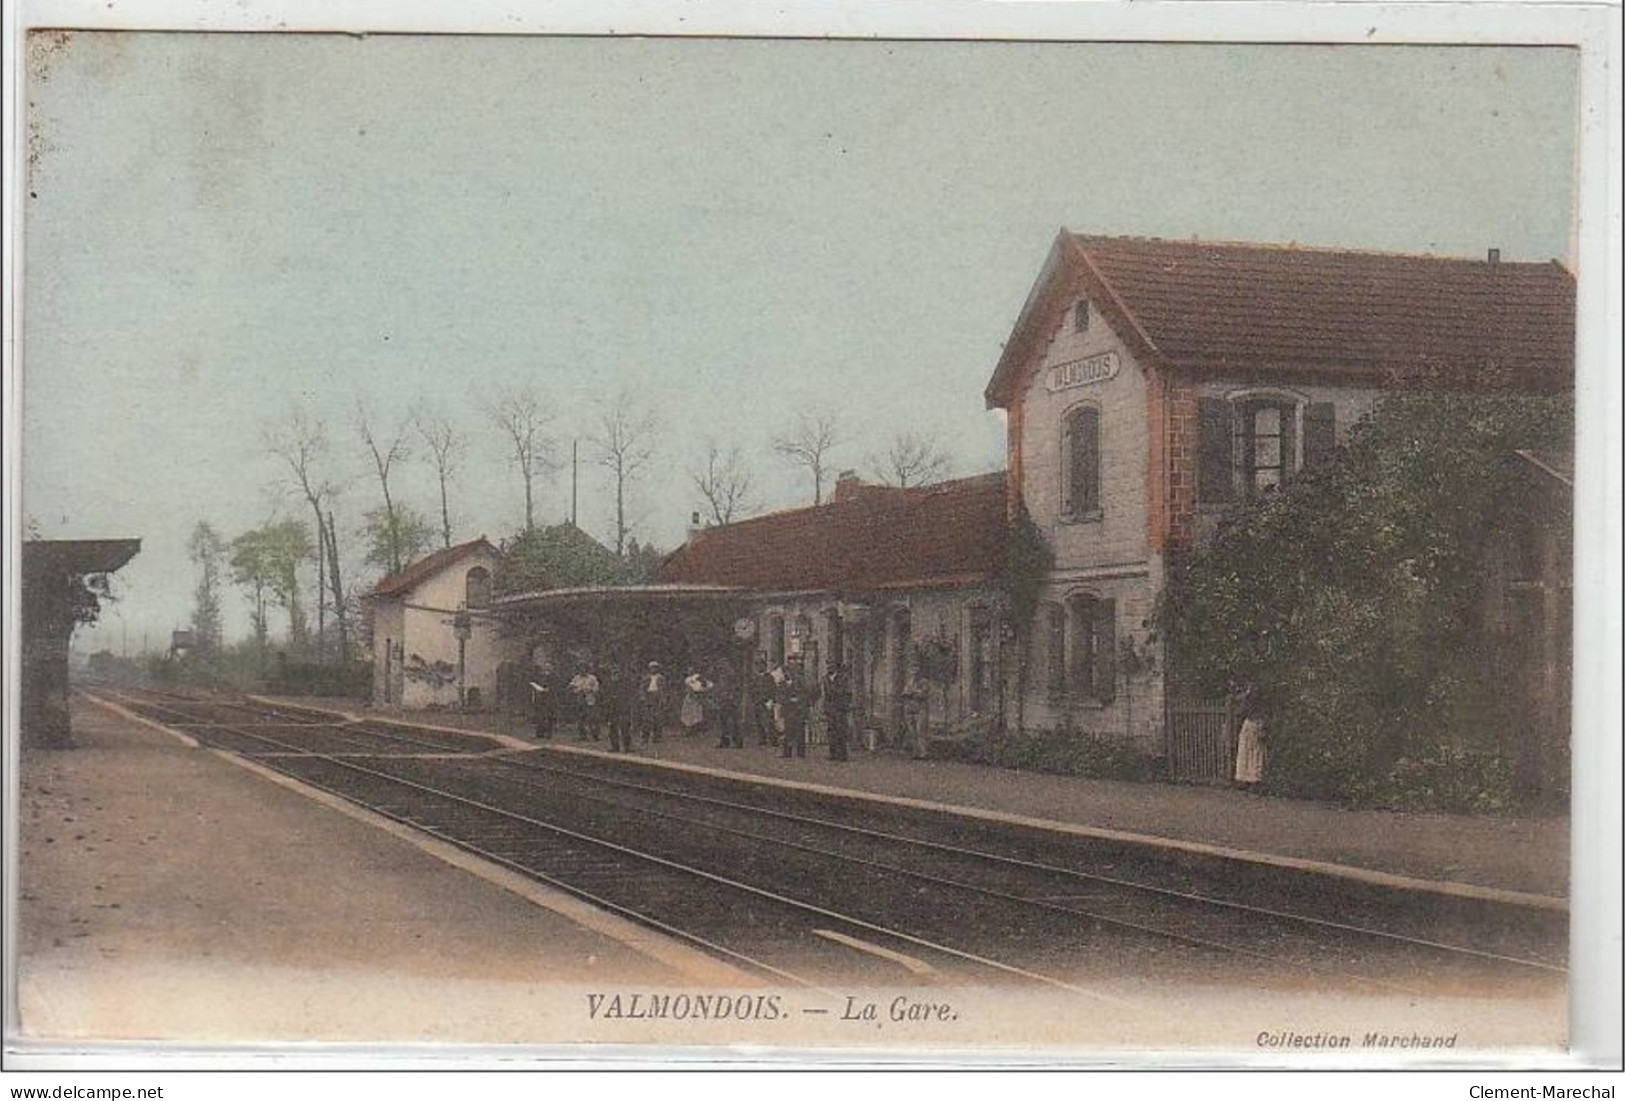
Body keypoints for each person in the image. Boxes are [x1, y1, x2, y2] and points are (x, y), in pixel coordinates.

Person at [778, 653, 811, 759]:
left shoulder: (802, 678)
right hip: (788, 707)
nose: (792, 666)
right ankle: (787, 752)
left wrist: (800, 700)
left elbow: (806, 692)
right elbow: (780, 692)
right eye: (790, 663)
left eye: (794, 663)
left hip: (799, 708)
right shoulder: (783, 680)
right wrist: (785, 700)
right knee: (788, 730)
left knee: (799, 729)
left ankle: (801, 752)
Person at [1233, 690, 1266, 792]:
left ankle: (1251, 779)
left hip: (1252, 723)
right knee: (1250, 751)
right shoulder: (1250, 697)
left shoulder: (1249, 698)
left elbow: (1241, 711)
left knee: (1251, 751)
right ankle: (1247, 779)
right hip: (1255, 723)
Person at [822, 662, 852, 762]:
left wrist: (833, 688)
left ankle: (843, 754)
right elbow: (825, 694)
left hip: (840, 708)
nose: (829, 668)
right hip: (830, 709)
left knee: (841, 731)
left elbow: (845, 692)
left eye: (831, 666)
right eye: (828, 666)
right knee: (831, 731)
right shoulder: (826, 679)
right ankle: (833, 753)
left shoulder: (843, 678)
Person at [601, 663, 634, 753]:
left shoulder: (624, 683)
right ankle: (615, 747)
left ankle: (627, 747)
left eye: (616, 672)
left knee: (624, 728)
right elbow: (605, 695)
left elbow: (628, 694)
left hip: (623, 707)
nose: (615, 674)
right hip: (612, 708)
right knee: (612, 728)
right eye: (613, 672)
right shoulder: (608, 684)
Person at [901, 672, 931, 760]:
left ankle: (923, 753)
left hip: (920, 709)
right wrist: (909, 694)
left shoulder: (924, 682)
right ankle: (915, 752)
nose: (914, 673)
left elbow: (923, 695)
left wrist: (913, 693)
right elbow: (904, 693)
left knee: (920, 731)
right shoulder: (909, 682)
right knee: (912, 732)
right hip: (910, 709)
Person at [749, 653, 777, 747]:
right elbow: (751, 689)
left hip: (767, 701)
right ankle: (762, 739)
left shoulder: (769, 677)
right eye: (757, 665)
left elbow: (773, 689)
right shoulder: (754, 678)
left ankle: (773, 740)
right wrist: (754, 698)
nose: (759, 667)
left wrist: (771, 699)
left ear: (764, 666)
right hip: (757, 701)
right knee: (758, 721)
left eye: (761, 665)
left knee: (769, 721)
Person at [568, 663, 601, 741]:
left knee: (592, 718)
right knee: (580, 719)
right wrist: (575, 689)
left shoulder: (592, 678)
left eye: (583, 669)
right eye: (580, 669)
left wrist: (589, 689)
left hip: (589, 700)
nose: (582, 671)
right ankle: (582, 735)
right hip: (579, 700)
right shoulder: (576, 678)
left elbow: (597, 689)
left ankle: (595, 735)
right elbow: (570, 686)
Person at [639, 661, 667, 744]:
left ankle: (657, 737)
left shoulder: (661, 678)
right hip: (648, 697)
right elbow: (642, 688)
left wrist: (663, 699)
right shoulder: (646, 678)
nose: (653, 669)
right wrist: (643, 696)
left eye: (655, 667)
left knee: (658, 718)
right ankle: (645, 738)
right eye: (651, 668)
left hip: (657, 697)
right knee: (647, 719)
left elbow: (663, 690)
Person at [681, 668, 712, 736]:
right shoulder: (688, 679)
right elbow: (690, 688)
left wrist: (701, 692)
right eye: (689, 670)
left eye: (691, 670)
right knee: (688, 715)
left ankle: (699, 730)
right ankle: (689, 731)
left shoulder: (698, 677)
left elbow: (705, 685)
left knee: (698, 714)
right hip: (690, 698)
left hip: (698, 698)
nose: (690, 671)